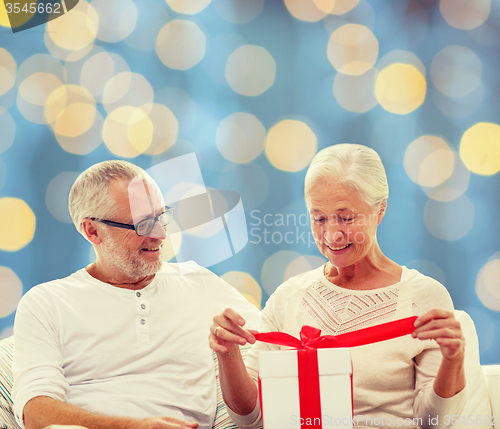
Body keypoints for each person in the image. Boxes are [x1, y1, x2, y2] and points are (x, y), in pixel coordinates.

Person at [209, 144, 466, 429]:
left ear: (379, 210)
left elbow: (435, 423)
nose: (331, 235)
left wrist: (453, 361)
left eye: (346, 217)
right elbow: (251, 420)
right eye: (319, 218)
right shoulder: (288, 298)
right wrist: (227, 354)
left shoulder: (424, 298)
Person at [12, 160, 260, 429]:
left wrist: (230, 353)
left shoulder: (198, 282)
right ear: (92, 230)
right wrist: (133, 427)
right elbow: (35, 413)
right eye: (142, 224)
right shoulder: (46, 303)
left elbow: (281, 344)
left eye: (161, 216)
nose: (161, 234)